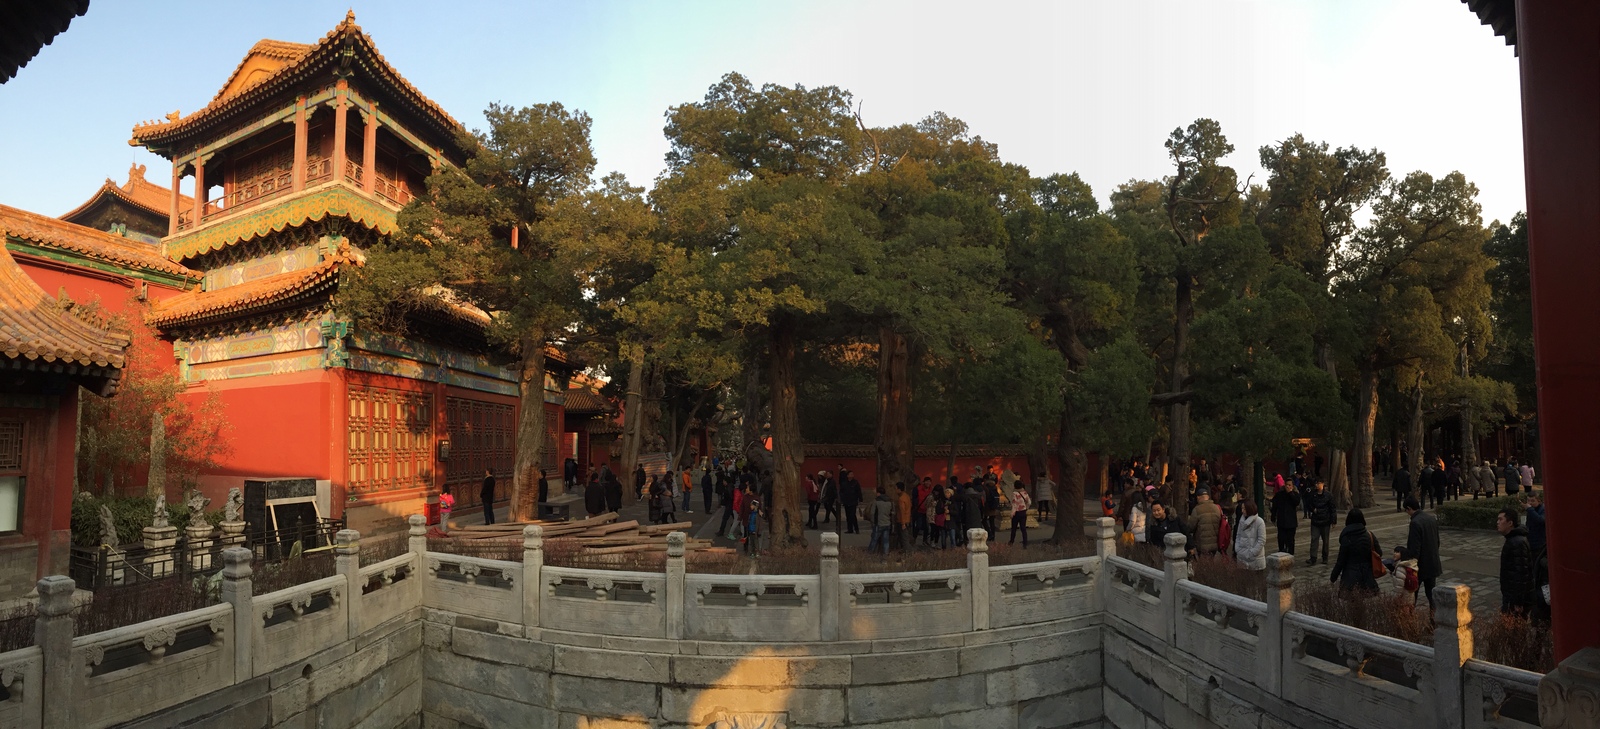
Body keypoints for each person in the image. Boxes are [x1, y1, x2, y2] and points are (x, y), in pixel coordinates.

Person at [1329, 509, 1380, 594]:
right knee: (1364, 602)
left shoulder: (1346, 538)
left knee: (1352, 602)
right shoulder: (1369, 535)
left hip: (1350, 577)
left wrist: (1333, 578)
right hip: (1367, 576)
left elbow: (1340, 561)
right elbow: (1379, 553)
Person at [1404, 497, 1442, 610]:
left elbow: (1414, 548)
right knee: (1431, 593)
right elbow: (1437, 541)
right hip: (1433, 561)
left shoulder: (1415, 523)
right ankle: (1434, 618)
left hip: (1420, 565)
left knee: (1412, 593)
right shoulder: (1431, 519)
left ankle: (1411, 619)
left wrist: (1408, 561)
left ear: (1409, 509)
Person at [1496, 508, 1535, 615]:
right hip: (1510, 595)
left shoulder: (1517, 542)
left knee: (1513, 628)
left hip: (1516, 599)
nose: (1498, 522)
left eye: (1501, 519)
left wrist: (1518, 601)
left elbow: (1521, 574)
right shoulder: (1512, 539)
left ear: (1510, 523)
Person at [1306, 480, 1335, 566]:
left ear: (1322, 484)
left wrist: (1333, 520)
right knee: (1314, 539)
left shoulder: (1328, 495)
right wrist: (1312, 509)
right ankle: (1313, 557)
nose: (1317, 485)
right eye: (1316, 483)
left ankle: (1325, 557)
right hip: (1315, 520)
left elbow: (1332, 508)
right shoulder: (1313, 494)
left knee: (1325, 540)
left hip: (1325, 521)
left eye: (1318, 483)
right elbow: (1308, 504)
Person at [1187, 489, 1223, 556]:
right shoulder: (1216, 508)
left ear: (1198, 497)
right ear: (1208, 497)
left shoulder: (1197, 509)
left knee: (1203, 563)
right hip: (1214, 543)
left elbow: (1191, 527)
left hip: (1202, 544)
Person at [1270, 479, 1301, 555]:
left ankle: (1290, 554)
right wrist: (1273, 516)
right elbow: (1274, 506)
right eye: (1286, 484)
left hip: (1291, 521)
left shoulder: (1295, 494)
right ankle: (1281, 552)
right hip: (1281, 520)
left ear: (1292, 486)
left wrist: (1290, 493)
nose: (1288, 486)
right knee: (1281, 538)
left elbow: (1296, 502)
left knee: (1290, 540)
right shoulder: (1280, 494)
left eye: (1289, 485)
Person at [1235, 500, 1266, 571]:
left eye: (1244, 509)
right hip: (1242, 555)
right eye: (1242, 508)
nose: (1242, 511)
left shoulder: (1259, 521)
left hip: (1255, 557)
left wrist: (1253, 553)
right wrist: (1237, 549)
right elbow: (1238, 535)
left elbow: (1262, 540)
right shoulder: (1241, 520)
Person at [866, 487, 894, 557]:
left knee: (874, 539)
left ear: (878, 493)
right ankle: (885, 553)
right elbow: (892, 513)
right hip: (887, 523)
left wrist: (872, 522)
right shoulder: (890, 501)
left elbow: (872, 513)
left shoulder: (876, 501)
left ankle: (870, 553)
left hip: (878, 524)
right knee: (886, 540)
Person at [741, 485, 763, 556]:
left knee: (754, 538)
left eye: (747, 488)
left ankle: (754, 551)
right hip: (746, 519)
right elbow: (742, 507)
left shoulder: (756, 498)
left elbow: (760, 509)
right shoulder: (745, 497)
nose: (746, 489)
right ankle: (746, 548)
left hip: (753, 525)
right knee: (745, 535)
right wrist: (740, 517)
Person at [1008, 481, 1032, 547]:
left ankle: (1011, 541)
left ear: (1015, 486)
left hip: (1016, 513)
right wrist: (1026, 508)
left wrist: (1012, 513)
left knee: (1014, 529)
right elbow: (1029, 502)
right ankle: (1025, 543)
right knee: (1023, 528)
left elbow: (1014, 504)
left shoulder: (1014, 493)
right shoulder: (1025, 493)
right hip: (1023, 512)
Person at [840, 469, 863, 534]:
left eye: (852, 474)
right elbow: (841, 492)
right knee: (848, 516)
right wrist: (842, 499)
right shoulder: (844, 483)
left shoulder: (855, 482)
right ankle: (850, 529)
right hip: (846, 501)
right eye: (850, 474)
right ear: (847, 475)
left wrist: (860, 499)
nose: (852, 475)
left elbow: (859, 491)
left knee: (853, 515)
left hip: (853, 501)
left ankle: (856, 529)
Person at [894, 483, 912, 550]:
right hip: (907, 519)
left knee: (904, 538)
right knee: (904, 537)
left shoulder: (901, 499)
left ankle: (908, 551)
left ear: (899, 489)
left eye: (896, 488)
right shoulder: (906, 496)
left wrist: (903, 523)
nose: (895, 490)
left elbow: (902, 511)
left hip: (902, 520)